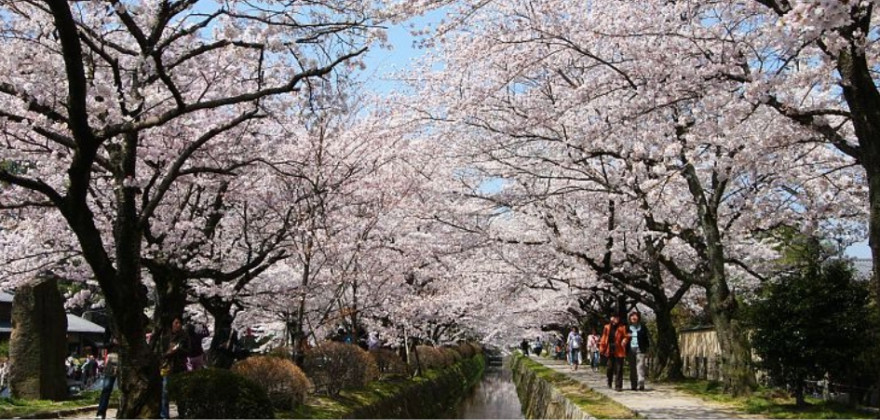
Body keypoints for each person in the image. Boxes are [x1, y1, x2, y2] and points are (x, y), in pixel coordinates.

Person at [161, 317, 190, 419]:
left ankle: (182, 413)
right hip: (168, 367)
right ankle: (164, 416)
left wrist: (178, 350)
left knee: (181, 393)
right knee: (165, 392)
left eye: (180, 323)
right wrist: (169, 352)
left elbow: (189, 351)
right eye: (176, 323)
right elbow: (161, 353)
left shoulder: (184, 337)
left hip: (180, 367)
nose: (178, 325)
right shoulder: (165, 338)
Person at [599, 314, 629, 391]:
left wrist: (624, 340)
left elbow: (626, 336)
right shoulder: (607, 327)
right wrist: (602, 348)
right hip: (610, 348)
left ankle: (618, 386)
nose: (616, 319)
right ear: (611, 318)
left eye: (617, 318)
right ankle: (609, 381)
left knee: (619, 368)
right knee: (610, 367)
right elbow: (604, 337)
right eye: (614, 317)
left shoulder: (622, 327)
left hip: (619, 349)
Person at [95, 340, 119, 419]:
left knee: (126, 389)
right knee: (106, 389)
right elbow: (105, 344)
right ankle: (101, 413)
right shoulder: (111, 333)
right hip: (112, 359)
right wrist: (113, 343)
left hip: (125, 358)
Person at [627, 311, 650, 391]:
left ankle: (641, 384)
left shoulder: (642, 327)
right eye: (632, 316)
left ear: (638, 318)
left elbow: (646, 339)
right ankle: (633, 385)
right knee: (632, 367)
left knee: (640, 367)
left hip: (640, 349)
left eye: (635, 316)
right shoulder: (627, 328)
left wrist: (647, 349)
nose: (634, 317)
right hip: (630, 349)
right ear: (630, 318)